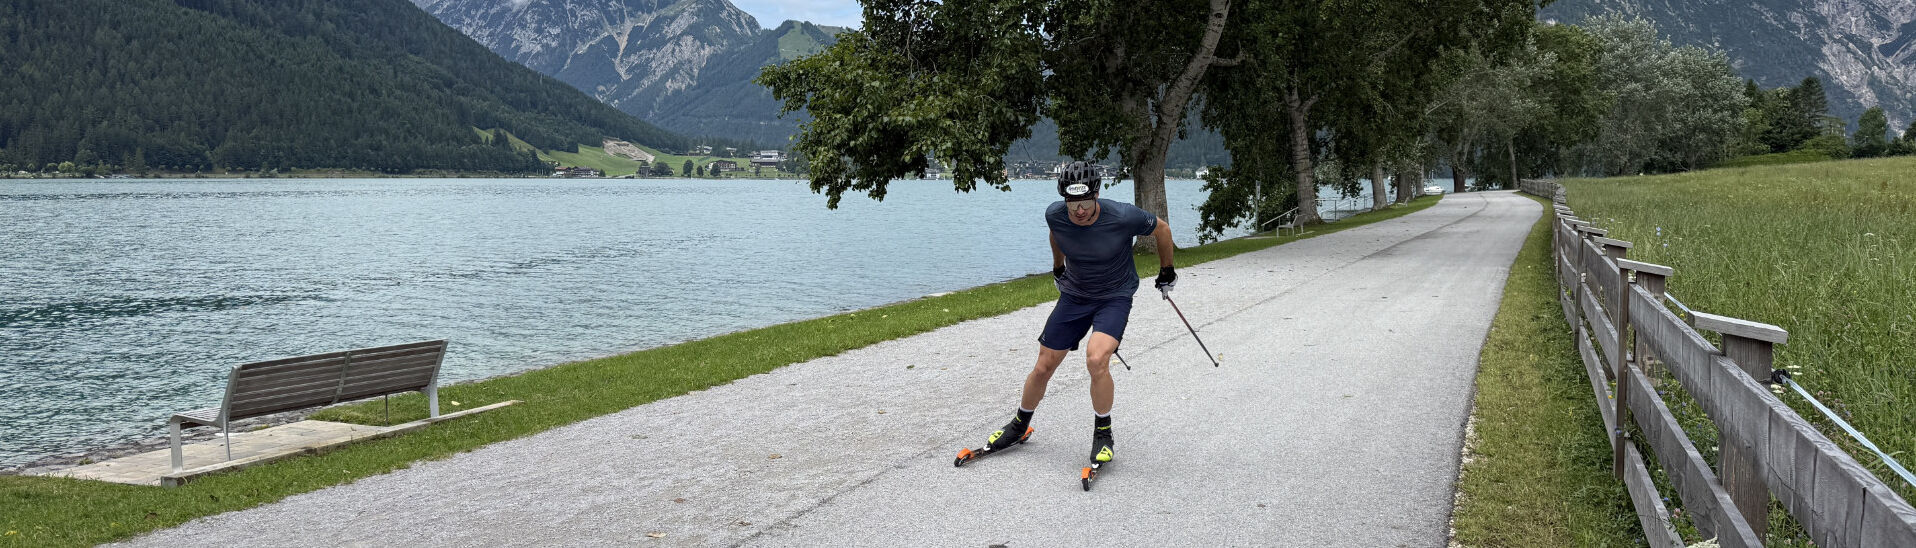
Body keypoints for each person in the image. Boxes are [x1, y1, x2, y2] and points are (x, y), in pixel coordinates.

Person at [981, 161, 1176, 465]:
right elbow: (1056, 234)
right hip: (1075, 296)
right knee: (1044, 365)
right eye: (1072, 204)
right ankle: (1019, 425)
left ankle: (1103, 434)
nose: (1079, 210)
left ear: (1096, 194)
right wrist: (1058, 268)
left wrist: (1167, 271)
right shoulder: (1055, 215)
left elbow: (1162, 229)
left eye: (1084, 202)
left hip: (1114, 296)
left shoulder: (1123, 216)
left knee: (1096, 359)